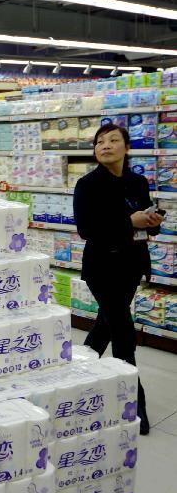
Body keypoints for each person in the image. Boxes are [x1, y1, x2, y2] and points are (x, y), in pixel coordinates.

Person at [73, 123, 164, 435]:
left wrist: (152, 222)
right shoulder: (87, 185)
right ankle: (135, 402)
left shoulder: (137, 182)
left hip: (131, 265)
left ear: (126, 148)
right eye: (100, 142)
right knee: (123, 331)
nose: (106, 145)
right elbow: (87, 230)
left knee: (104, 327)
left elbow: (144, 226)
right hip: (102, 267)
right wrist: (129, 222)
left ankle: (75, 381)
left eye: (113, 140)